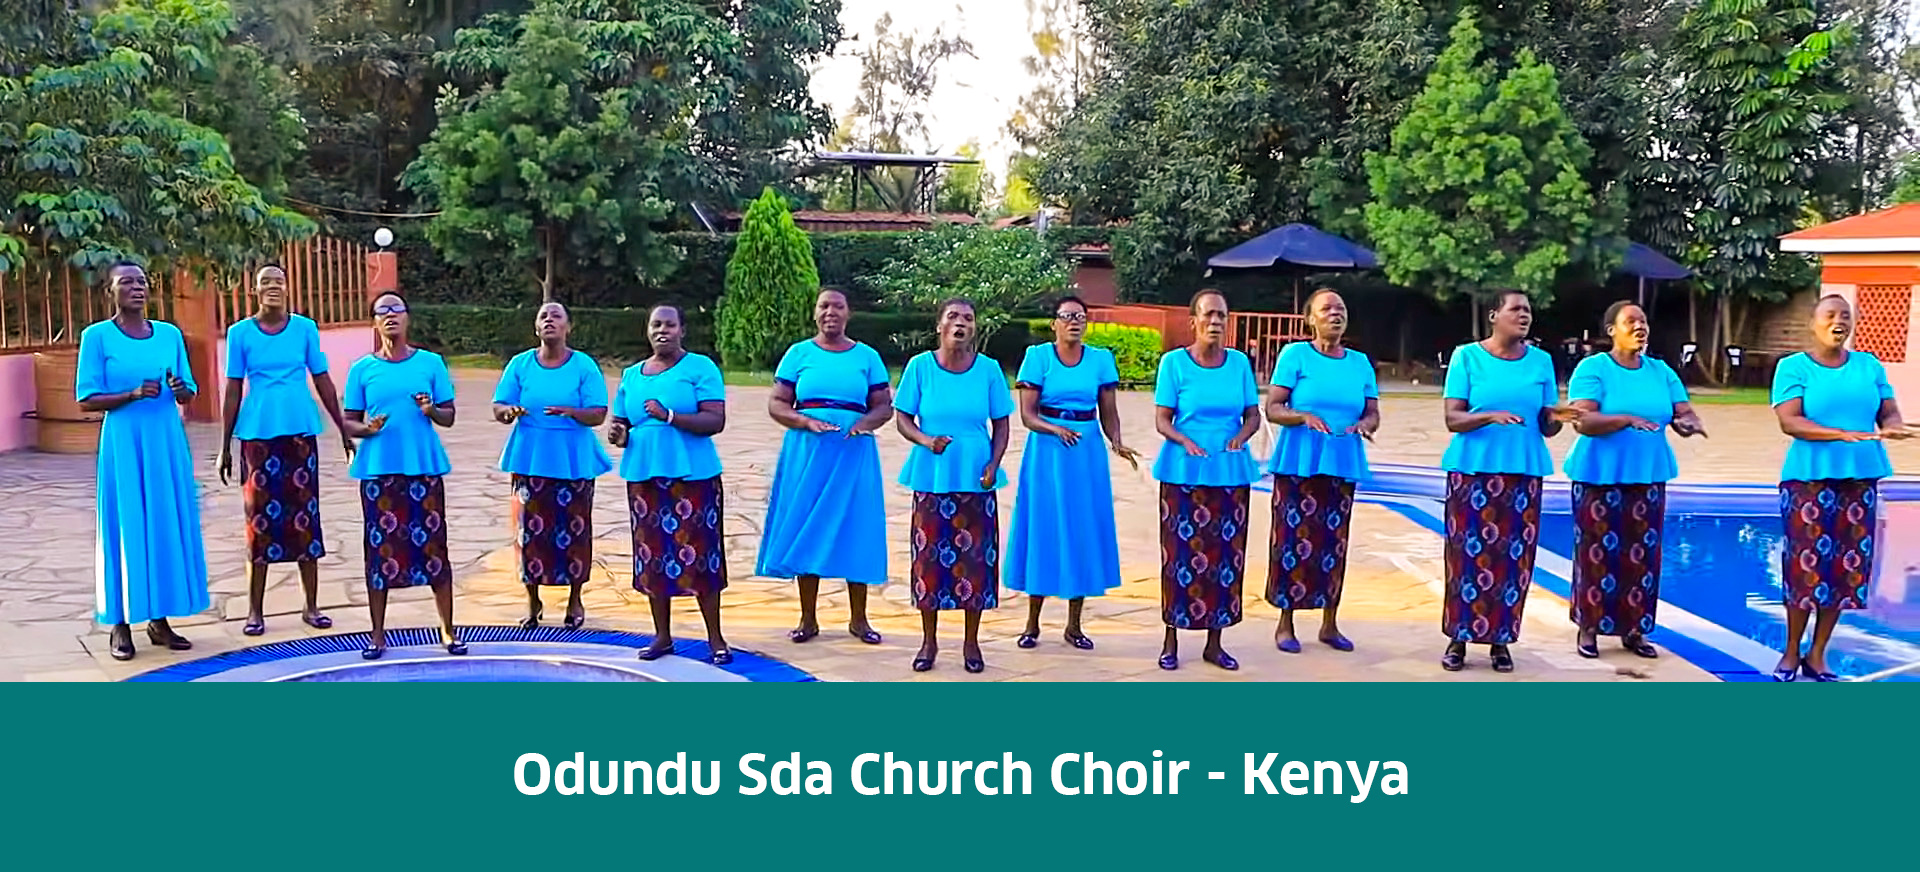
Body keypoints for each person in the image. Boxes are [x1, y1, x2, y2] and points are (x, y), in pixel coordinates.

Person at [1769, 294, 1910, 681]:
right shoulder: (1793, 367)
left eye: (1845, 316)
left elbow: (1887, 409)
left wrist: (1894, 424)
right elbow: (1790, 421)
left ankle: (1817, 655)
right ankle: (1791, 651)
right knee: (1805, 568)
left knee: (1844, 570)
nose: (1838, 321)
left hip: (1860, 479)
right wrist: (1838, 434)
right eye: (1829, 315)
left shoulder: (1868, 365)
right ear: (1813, 324)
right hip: (1809, 479)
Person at [1439, 291, 1581, 673]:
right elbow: (1453, 419)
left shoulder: (1541, 362)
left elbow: (1546, 425)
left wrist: (1562, 416)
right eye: (1516, 309)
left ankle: (1501, 640)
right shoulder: (1466, 357)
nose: (1524, 316)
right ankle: (1459, 638)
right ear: (1493, 315)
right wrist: (1489, 416)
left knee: (1514, 560)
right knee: (1465, 557)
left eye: (1528, 311)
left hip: (1522, 474)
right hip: (1473, 473)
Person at [76, 262, 210, 661]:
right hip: (123, 444)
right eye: (126, 283)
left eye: (142, 282)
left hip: (165, 441)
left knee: (165, 524)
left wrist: (180, 388)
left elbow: (189, 392)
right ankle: (119, 624)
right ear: (110, 292)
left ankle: (159, 620)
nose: (136, 288)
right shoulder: (97, 337)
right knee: (125, 526)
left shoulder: (169, 335)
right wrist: (132, 393)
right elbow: (86, 399)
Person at [1564, 301, 1706, 660]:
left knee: (1641, 557)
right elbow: (1583, 421)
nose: (1640, 326)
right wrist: (1625, 418)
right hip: (1599, 476)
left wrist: (1688, 424)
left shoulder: (1661, 371)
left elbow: (1682, 412)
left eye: (1643, 321)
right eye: (1630, 321)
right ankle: (1590, 628)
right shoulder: (1594, 368)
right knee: (1596, 554)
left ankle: (1635, 629)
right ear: (1612, 329)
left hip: (1648, 475)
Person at [216, 263, 353, 636]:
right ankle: (255, 612)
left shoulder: (305, 328)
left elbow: (322, 379)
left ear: (287, 288)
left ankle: (311, 606)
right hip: (257, 437)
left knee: (305, 519)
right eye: (266, 282)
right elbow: (232, 389)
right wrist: (225, 445)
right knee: (258, 523)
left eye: (278, 281)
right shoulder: (240, 333)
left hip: (298, 434)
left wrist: (342, 429)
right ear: (255, 291)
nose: (273, 286)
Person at [1005, 295, 1140, 650]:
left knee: (1081, 529)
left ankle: (1074, 625)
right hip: (1048, 453)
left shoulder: (1100, 359)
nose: (1073, 322)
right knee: (1044, 527)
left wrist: (1117, 441)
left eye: (1080, 316)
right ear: (1054, 323)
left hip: (1085, 451)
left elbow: (1108, 409)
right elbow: (1028, 415)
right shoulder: (1038, 357)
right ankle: (1032, 623)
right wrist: (1055, 429)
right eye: (1066, 316)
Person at [759, 288, 894, 645]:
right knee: (808, 524)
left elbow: (883, 405)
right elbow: (777, 403)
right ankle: (808, 618)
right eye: (824, 306)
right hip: (808, 450)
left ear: (848, 313)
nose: (830, 311)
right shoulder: (798, 354)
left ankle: (859, 619)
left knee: (856, 527)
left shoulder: (866, 356)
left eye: (838, 305)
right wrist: (804, 422)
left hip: (852, 452)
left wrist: (864, 424)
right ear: (814, 313)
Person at [894, 299, 1013, 673]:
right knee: (928, 562)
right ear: (939, 326)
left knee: (974, 563)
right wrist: (926, 441)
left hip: (976, 479)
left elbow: (1002, 424)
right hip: (933, 476)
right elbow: (902, 418)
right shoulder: (920, 367)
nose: (960, 323)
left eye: (968, 318)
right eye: (953, 317)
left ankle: (971, 644)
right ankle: (929, 642)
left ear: (974, 328)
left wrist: (994, 463)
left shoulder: (989, 370)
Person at [341, 292, 462, 659]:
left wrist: (430, 410)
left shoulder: (431, 363)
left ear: (408, 318)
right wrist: (367, 429)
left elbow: (449, 415)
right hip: (379, 474)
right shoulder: (362, 369)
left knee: (434, 550)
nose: (391, 316)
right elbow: (348, 421)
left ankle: (448, 632)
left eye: (397, 309)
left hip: (422, 471)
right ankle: (377, 636)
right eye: (383, 311)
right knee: (379, 554)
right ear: (375, 322)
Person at [609, 304, 732, 664]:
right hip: (645, 479)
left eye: (670, 324)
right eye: (656, 324)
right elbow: (621, 423)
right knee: (652, 557)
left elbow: (715, 420)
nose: (662, 330)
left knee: (702, 556)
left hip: (692, 477)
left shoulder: (700, 368)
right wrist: (618, 434)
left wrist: (671, 416)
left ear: (682, 330)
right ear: (647, 330)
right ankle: (662, 636)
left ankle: (715, 639)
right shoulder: (632, 375)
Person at [1262, 289, 1379, 654]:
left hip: (1341, 461)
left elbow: (1373, 411)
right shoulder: (1295, 355)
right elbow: (1273, 408)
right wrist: (1302, 416)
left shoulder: (1359, 362)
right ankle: (1286, 623)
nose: (1335, 314)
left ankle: (1330, 623)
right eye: (1326, 309)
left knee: (1334, 542)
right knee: (1292, 542)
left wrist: (1366, 424)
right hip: (1300, 460)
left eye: (1341, 309)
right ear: (1310, 318)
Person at [1152, 289, 1261, 671]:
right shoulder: (1174, 364)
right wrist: (1184, 440)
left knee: (1225, 557)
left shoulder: (1239, 364)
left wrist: (1242, 436)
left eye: (1222, 317)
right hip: (1184, 469)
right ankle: (1171, 639)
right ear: (1193, 321)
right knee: (1179, 556)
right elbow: (1163, 419)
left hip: (1229, 469)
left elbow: (1253, 415)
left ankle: (1216, 642)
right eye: (1209, 315)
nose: (1216, 322)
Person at [492, 302, 611, 630]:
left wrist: (571, 412)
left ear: (568, 327)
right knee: (527, 533)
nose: (549, 321)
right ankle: (532, 600)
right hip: (530, 459)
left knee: (575, 532)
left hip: (573, 462)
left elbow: (598, 413)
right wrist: (508, 412)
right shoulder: (520, 365)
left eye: (556, 316)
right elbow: (499, 405)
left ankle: (575, 599)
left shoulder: (584, 366)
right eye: (543, 316)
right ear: (535, 327)